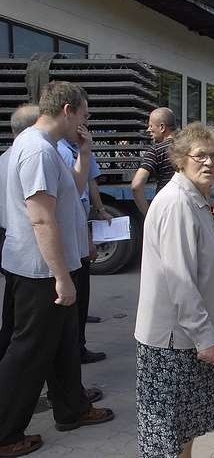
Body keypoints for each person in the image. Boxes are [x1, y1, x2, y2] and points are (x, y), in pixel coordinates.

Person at [0, 82, 114, 458]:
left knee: (64, 344)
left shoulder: (48, 149)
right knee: (29, 352)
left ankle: (72, 409)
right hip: (41, 272)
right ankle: (5, 433)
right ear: (68, 109)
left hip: (50, 268)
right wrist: (62, 277)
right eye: (84, 114)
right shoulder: (36, 151)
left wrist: (85, 151)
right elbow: (42, 221)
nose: (86, 121)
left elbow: (74, 189)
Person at [135, 123, 214, 458]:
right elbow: (180, 282)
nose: (209, 162)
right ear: (180, 160)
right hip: (175, 338)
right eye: (199, 155)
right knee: (168, 429)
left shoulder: (195, 198)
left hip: (185, 333)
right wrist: (206, 338)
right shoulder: (178, 204)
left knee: (184, 423)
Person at [57, 129, 112, 364]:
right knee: (74, 293)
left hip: (81, 225)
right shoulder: (57, 151)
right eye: (82, 117)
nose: (84, 124)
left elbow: (91, 182)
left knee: (83, 288)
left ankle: (79, 345)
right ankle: (74, 350)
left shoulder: (82, 148)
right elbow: (71, 196)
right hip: (71, 232)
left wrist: (100, 209)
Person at [0, 105, 39, 359]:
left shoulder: (4, 158)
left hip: (8, 238)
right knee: (26, 321)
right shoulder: (34, 156)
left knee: (11, 308)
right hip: (29, 243)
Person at [131, 107, 177, 215]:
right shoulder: (190, 147)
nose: (148, 130)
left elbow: (136, 186)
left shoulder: (155, 151)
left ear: (162, 127)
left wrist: (149, 215)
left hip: (165, 209)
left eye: (151, 125)